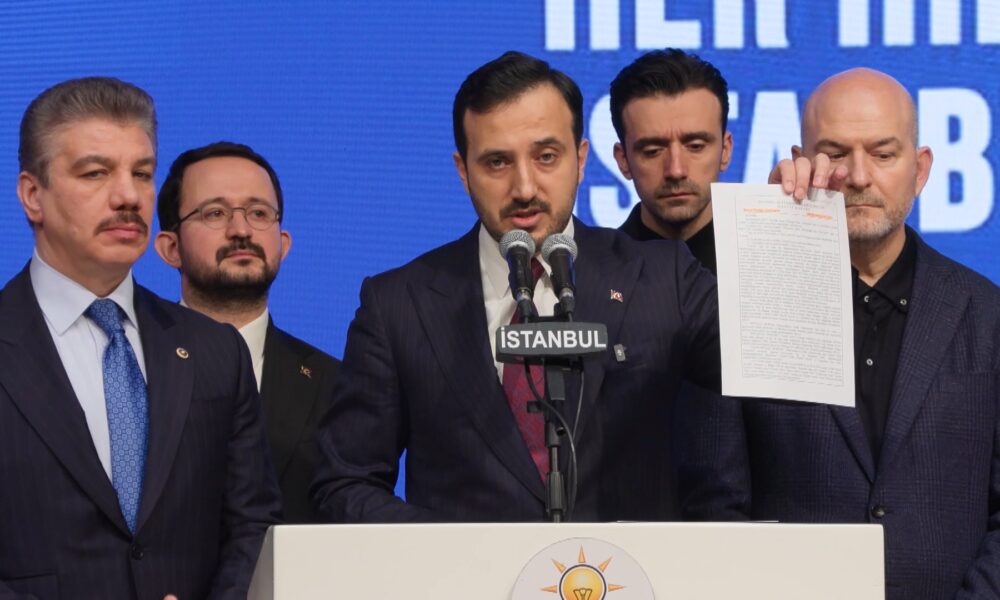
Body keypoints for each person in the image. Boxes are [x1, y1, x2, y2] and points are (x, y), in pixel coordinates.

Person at [310, 51, 725, 522]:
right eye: (497, 162)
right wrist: (457, 548)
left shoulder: (664, 277)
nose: (524, 187)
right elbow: (344, 483)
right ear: (463, 171)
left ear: (580, 159)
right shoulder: (398, 305)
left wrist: (788, 223)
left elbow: (769, 370)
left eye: (546, 157)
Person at [687, 68, 1000, 599]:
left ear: (920, 168)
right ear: (801, 160)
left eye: (883, 153)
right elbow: (715, 502)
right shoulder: (748, 304)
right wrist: (772, 231)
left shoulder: (987, 314)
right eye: (834, 154)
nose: (857, 176)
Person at [0, 77, 280, 599]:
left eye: (142, 173)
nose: (128, 196)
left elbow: (252, 526)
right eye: (95, 173)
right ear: (33, 195)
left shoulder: (216, 351)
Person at [155, 141, 340, 523]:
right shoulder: (128, 365)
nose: (240, 230)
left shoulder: (336, 385)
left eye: (258, 213)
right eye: (215, 213)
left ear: (282, 244)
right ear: (171, 247)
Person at [610, 48, 733, 275]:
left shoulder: (768, 261)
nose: (676, 170)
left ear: (725, 150)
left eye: (695, 146)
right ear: (623, 160)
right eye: (653, 151)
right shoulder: (588, 277)